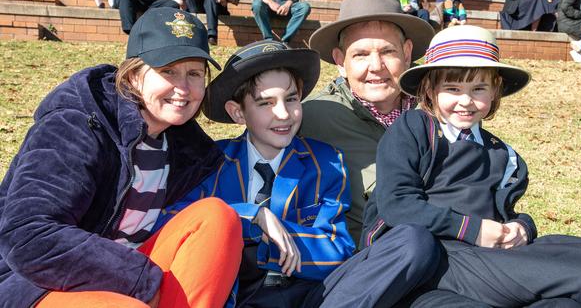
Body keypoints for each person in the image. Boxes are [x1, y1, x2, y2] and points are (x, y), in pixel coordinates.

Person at [362, 24, 581, 308]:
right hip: (435, 258)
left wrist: (522, 226)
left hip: (489, 257)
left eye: (478, 89)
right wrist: (472, 229)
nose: (466, 101)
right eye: (452, 88)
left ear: (495, 89)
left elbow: (501, 213)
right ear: (430, 88)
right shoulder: (413, 128)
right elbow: (397, 204)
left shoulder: (503, 155)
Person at [156, 39, 438, 308]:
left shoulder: (325, 161)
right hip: (236, 294)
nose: (283, 114)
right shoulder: (211, 161)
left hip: (313, 296)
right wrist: (251, 217)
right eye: (265, 103)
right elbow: (173, 223)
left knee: (414, 243)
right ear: (237, 112)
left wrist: (268, 243)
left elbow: (337, 248)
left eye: (291, 99)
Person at [0, 7, 243, 308]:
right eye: (168, 71)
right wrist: (139, 279)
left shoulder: (187, 147)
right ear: (134, 76)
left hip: (128, 276)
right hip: (33, 283)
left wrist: (257, 214)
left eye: (194, 74)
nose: (183, 88)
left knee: (216, 218)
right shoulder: (78, 122)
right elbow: (26, 235)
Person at [304, 0, 499, 307]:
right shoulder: (311, 117)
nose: (376, 66)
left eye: (388, 52)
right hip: (367, 274)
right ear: (340, 61)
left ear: (408, 53)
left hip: (446, 269)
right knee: (413, 240)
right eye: (360, 54)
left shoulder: (443, 112)